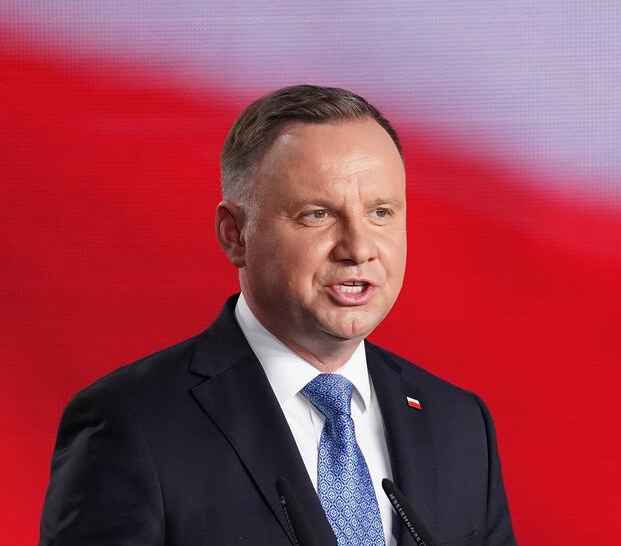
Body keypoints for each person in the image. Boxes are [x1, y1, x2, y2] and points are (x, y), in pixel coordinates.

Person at [40, 85, 516, 545]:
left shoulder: (458, 423)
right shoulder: (133, 424)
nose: (359, 249)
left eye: (381, 213)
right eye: (317, 214)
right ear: (235, 234)